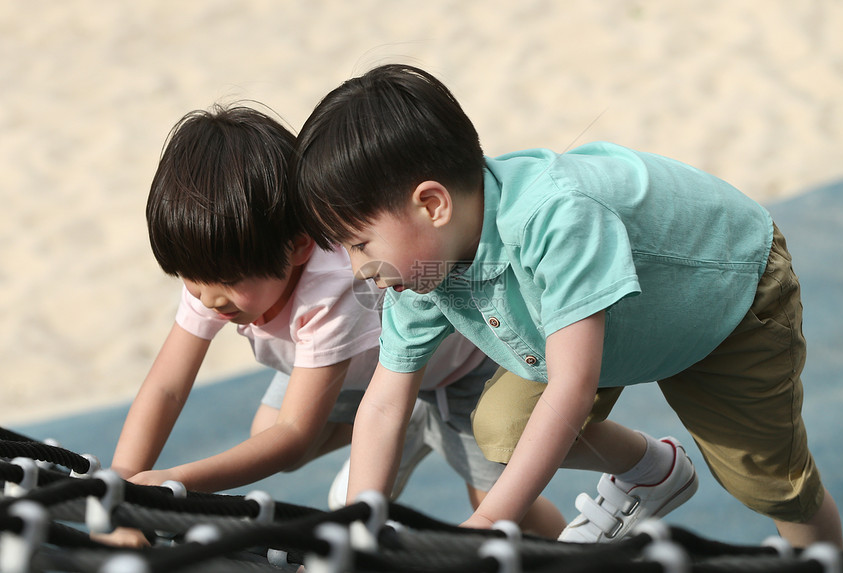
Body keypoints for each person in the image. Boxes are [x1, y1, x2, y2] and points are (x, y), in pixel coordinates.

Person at [291, 64, 843, 548]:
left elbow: (572, 389)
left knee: (770, 486)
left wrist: (488, 521)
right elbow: (387, 403)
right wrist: (356, 529)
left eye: (359, 243)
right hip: (607, 327)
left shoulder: (556, 220)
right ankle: (651, 473)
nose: (356, 266)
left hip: (723, 302)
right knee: (505, 425)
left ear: (431, 205)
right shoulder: (423, 271)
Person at [109, 104, 566, 541]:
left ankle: (570, 547)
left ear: (299, 248)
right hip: (362, 372)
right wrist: (120, 496)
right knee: (261, 435)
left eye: (226, 281)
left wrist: (176, 482)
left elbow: (294, 434)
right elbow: (166, 387)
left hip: (458, 366)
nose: (208, 299)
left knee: (501, 507)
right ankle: (404, 419)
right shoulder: (215, 267)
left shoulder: (332, 290)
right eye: (190, 279)